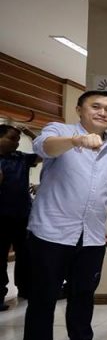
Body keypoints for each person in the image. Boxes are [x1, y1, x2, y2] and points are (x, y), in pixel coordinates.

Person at [22, 90, 107, 340]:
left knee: (84, 295)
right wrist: (76, 141)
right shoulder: (60, 132)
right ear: (79, 109)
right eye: (96, 106)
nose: (103, 113)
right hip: (51, 232)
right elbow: (45, 148)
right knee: (43, 300)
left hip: (92, 235)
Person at [0, 124, 38, 308]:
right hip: (1, 217)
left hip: (22, 215)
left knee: (26, 255)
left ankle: (27, 289)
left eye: (17, 139)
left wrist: (29, 133)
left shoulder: (20, 158)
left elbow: (43, 154)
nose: (16, 143)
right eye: (12, 139)